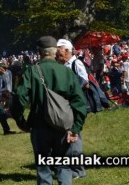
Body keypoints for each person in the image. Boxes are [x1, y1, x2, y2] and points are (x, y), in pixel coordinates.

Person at [11, 36, 87, 185]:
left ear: (39, 52)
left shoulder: (32, 71)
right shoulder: (66, 72)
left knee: (43, 166)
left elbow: (19, 96)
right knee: (64, 164)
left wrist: (20, 120)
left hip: (40, 125)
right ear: (55, 52)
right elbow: (79, 102)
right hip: (64, 126)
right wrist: (76, 128)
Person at [56, 38, 88, 180]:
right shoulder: (63, 65)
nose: (57, 54)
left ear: (67, 50)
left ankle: (78, 170)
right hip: (67, 105)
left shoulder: (76, 63)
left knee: (74, 135)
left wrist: (72, 92)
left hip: (74, 105)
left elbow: (84, 81)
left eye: (59, 51)